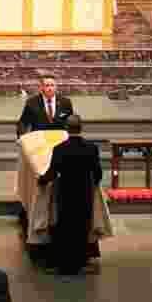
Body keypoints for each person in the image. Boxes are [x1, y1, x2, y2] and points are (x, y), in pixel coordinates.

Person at [38, 115, 103, 274]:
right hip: (84, 195)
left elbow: (51, 173)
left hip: (65, 194)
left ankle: (64, 264)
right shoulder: (91, 148)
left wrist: (41, 180)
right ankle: (81, 263)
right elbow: (98, 173)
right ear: (81, 128)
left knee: (65, 227)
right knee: (82, 227)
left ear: (66, 129)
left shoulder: (59, 148)